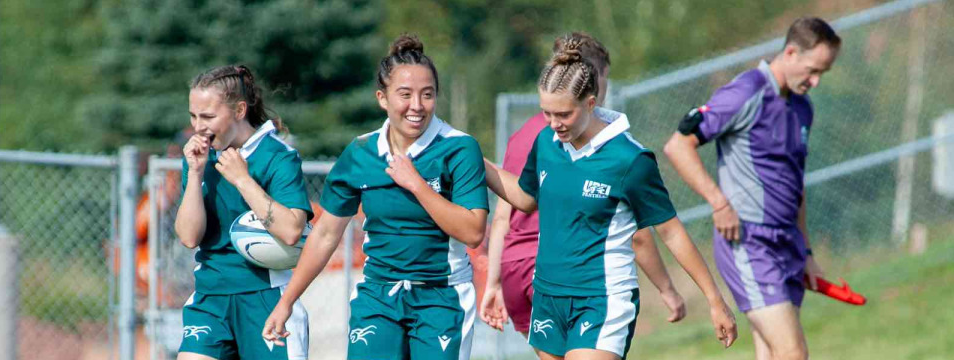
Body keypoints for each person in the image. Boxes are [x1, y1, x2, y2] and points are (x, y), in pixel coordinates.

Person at [482, 34, 737, 360]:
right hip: (547, 297)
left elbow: (670, 232)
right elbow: (524, 197)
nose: (553, 124)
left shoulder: (629, 159)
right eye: (547, 113)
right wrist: (477, 159)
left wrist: (715, 300)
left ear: (590, 102)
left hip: (601, 299)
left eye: (564, 114)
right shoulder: (546, 142)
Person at [262, 34, 488, 360]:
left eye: (427, 95)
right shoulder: (360, 153)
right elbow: (325, 235)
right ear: (382, 98)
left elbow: (473, 231)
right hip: (378, 297)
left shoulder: (459, 148)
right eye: (405, 94)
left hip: (442, 298)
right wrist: (286, 303)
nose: (417, 106)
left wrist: (417, 185)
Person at [661, 17, 841, 360]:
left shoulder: (802, 107)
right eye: (813, 70)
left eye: (823, 73)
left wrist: (807, 253)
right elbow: (678, 145)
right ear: (790, 52)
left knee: (772, 354)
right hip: (749, 243)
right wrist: (719, 202)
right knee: (792, 352)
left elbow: (795, 183)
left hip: (786, 243)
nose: (816, 81)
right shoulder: (745, 92)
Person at [174, 64, 313, 360]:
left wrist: (242, 180)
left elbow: (291, 231)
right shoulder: (197, 157)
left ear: (239, 111)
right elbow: (188, 237)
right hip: (211, 298)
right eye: (193, 116)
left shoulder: (278, 157)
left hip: (267, 299)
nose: (198, 126)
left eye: (208, 116)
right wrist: (196, 175)